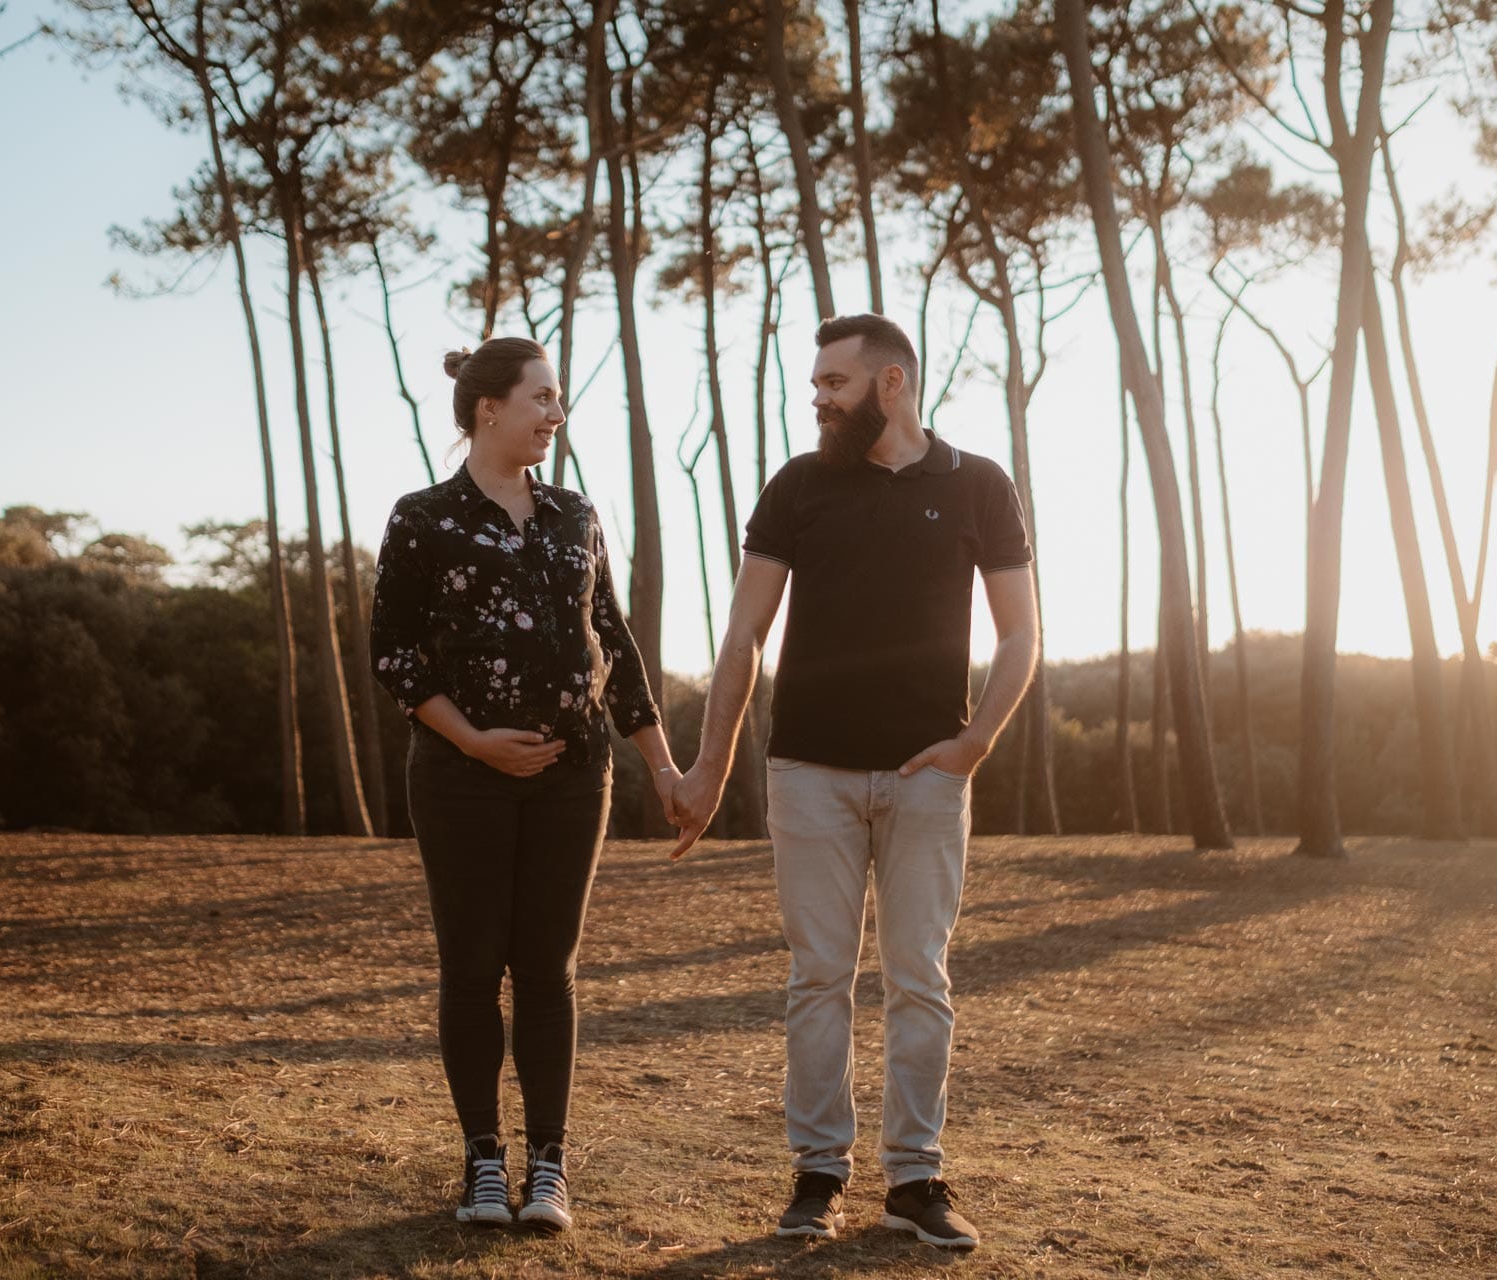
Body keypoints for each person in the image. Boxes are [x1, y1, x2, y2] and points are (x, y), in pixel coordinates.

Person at [667, 314, 1039, 1251]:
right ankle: (817, 1177)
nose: (819, 398)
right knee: (818, 979)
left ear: (892, 383)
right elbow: (744, 635)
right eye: (816, 383)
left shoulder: (978, 485)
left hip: (926, 778)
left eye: (835, 382)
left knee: (920, 979)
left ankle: (915, 1182)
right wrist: (712, 766)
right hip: (808, 775)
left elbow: (1021, 635)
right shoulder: (799, 484)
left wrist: (974, 745)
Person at [368, 337, 679, 1233]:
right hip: (459, 780)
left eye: (560, 400)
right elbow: (392, 651)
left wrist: (661, 765)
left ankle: (549, 1165)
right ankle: (481, 1164)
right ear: (486, 409)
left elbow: (613, 647)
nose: (555, 414)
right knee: (471, 971)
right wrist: (472, 740)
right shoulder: (422, 517)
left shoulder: (575, 515)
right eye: (541, 398)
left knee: (548, 970)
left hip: (574, 780)